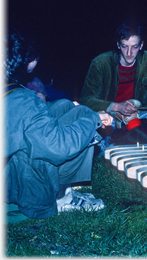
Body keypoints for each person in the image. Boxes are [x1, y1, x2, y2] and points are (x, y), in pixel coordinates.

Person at [5, 27, 113, 219]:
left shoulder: (11, 93)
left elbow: (25, 118)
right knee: (80, 124)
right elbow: (58, 146)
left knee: (66, 107)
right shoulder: (21, 100)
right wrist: (94, 119)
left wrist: (65, 106)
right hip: (16, 185)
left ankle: (66, 191)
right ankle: (59, 198)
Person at [79, 21, 147, 147]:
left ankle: (129, 138)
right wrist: (117, 107)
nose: (129, 53)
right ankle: (130, 137)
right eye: (125, 46)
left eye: (134, 47)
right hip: (110, 112)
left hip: (137, 112)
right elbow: (86, 99)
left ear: (141, 46)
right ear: (118, 45)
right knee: (100, 123)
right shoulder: (100, 63)